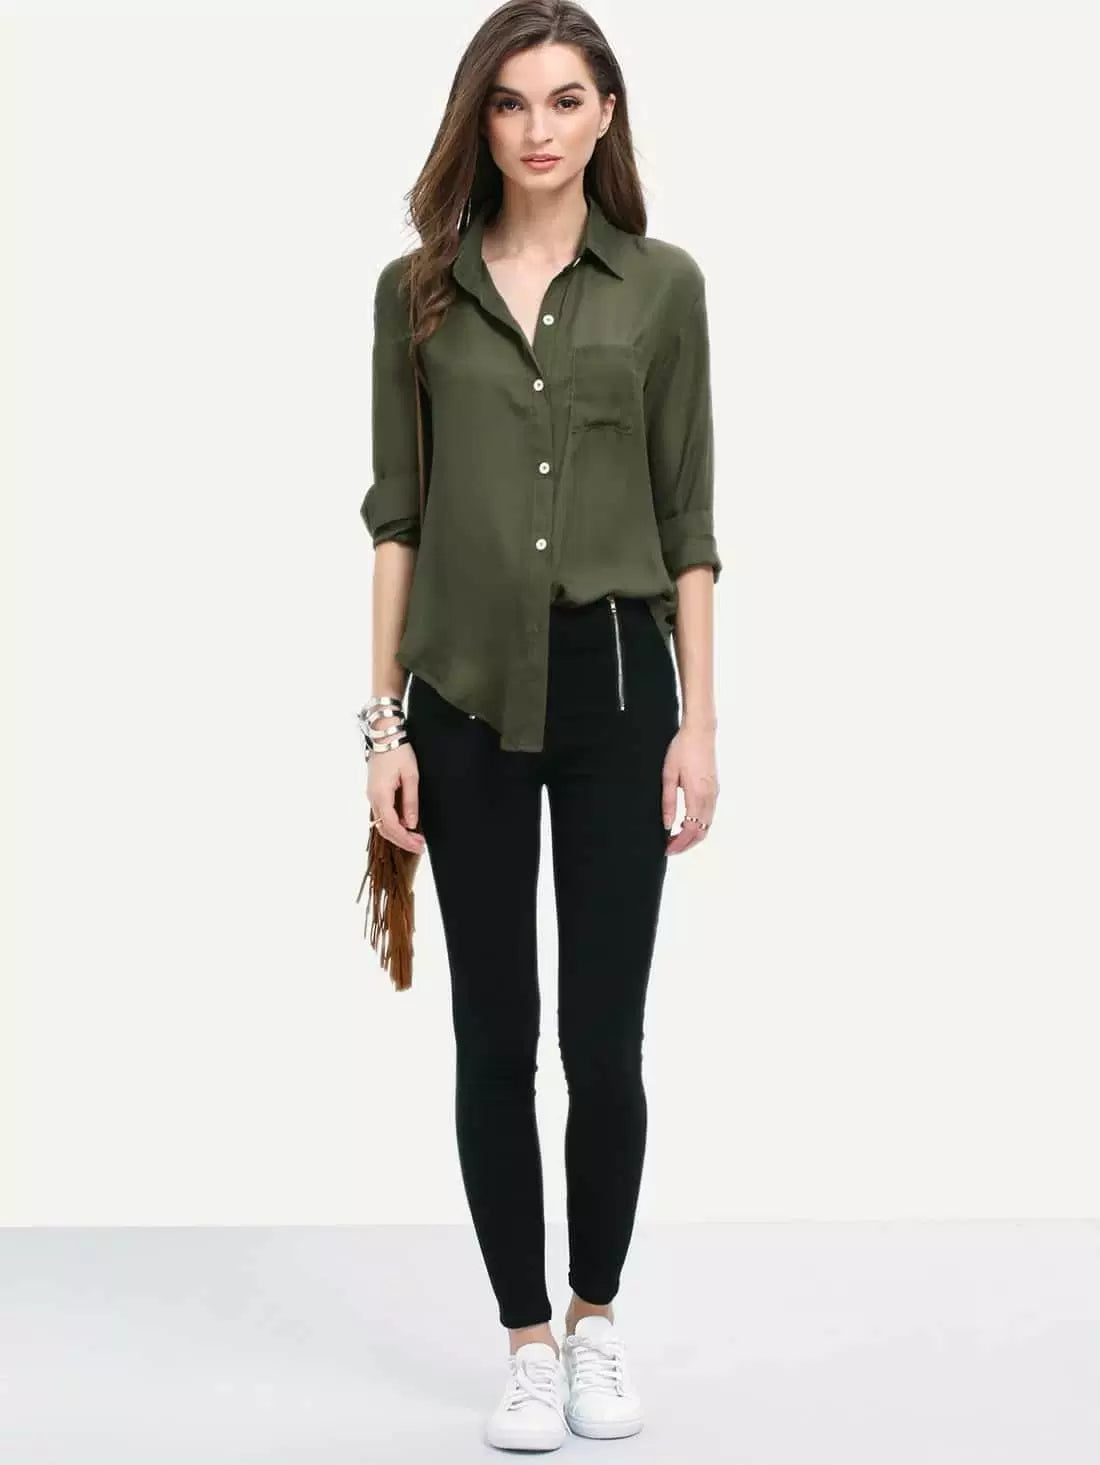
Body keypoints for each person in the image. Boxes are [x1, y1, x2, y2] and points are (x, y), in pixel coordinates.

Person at [359, 0, 722, 1450]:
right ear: (481, 119)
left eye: (567, 99)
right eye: (511, 103)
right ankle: (524, 1340)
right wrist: (382, 726)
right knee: (492, 1032)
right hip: (461, 694)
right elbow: (397, 517)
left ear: (606, 113)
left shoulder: (665, 288)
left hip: (622, 689)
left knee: (605, 1036)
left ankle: (596, 1320)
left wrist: (703, 723)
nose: (538, 129)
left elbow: (691, 521)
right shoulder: (416, 296)